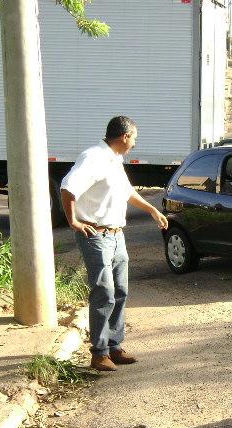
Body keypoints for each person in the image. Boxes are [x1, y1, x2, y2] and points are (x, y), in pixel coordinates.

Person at [60, 116, 169, 372]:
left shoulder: (114, 159)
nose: (134, 144)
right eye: (134, 139)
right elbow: (68, 187)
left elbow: (127, 191)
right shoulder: (93, 157)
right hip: (95, 235)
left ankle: (114, 346)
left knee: (120, 290)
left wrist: (153, 209)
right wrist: (73, 221)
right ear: (124, 137)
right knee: (104, 292)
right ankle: (98, 353)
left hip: (116, 235)